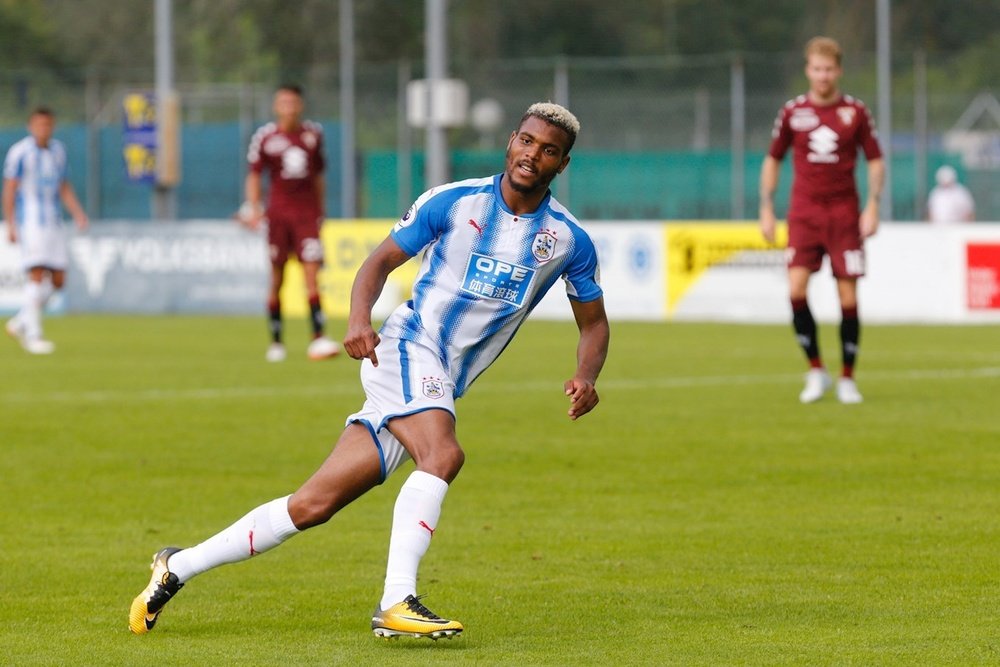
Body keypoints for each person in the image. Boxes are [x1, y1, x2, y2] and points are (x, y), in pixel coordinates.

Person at [129, 102, 610, 640]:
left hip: (441, 381)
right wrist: (359, 319)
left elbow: (593, 324)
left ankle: (177, 565)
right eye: (526, 141)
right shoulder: (453, 202)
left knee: (311, 506)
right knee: (443, 453)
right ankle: (396, 600)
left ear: (561, 165)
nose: (531, 155)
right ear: (511, 141)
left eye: (548, 151)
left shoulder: (568, 240)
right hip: (406, 346)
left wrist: (586, 375)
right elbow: (378, 262)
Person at [759, 36, 884, 405]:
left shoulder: (855, 112)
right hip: (804, 214)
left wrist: (874, 204)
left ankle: (847, 376)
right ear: (808, 70)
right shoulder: (792, 112)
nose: (823, 75)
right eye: (817, 69)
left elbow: (875, 160)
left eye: (829, 69)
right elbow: (773, 159)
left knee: (847, 295)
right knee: (795, 290)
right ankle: (816, 370)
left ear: (838, 70)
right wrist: (766, 206)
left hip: (845, 214)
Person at [240, 84, 341, 362]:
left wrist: (321, 211)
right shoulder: (265, 137)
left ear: (301, 105)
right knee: (277, 278)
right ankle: (276, 341)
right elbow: (254, 175)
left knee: (311, 277)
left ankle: (318, 338)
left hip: (307, 217)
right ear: (276, 106)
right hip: (278, 217)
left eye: (293, 102)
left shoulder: (313, 135)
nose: (289, 107)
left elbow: (319, 175)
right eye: (283, 102)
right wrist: (254, 209)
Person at [3, 106, 88, 355]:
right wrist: (10, 223)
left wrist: (78, 213)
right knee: (37, 274)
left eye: (48, 125)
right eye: (39, 125)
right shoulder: (20, 152)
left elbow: (64, 187)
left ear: (53, 126)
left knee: (59, 281)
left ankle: (20, 321)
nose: (44, 129)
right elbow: (10, 188)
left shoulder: (58, 151)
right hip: (30, 223)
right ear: (31, 127)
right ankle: (34, 336)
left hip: (54, 222)